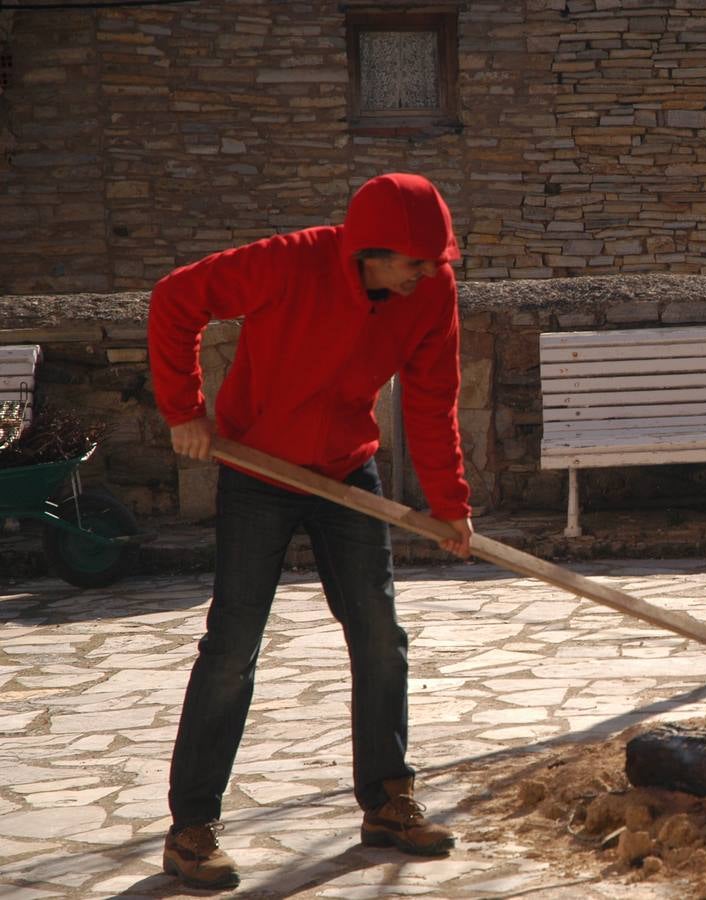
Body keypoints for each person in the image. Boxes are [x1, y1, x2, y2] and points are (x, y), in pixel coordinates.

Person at [148, 173, 473, 890]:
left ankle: (387, 800)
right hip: (256, 464)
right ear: (370, 251)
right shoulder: (290, 261)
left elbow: (432, 397)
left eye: (433, 263)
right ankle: (191, 828)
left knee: (380, 636)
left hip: (344, 474)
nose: (428, 274)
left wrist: (450, 503)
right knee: (233, 645)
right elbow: (176, 299)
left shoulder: (431, 294)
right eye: (415, 262)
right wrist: (184, 410)